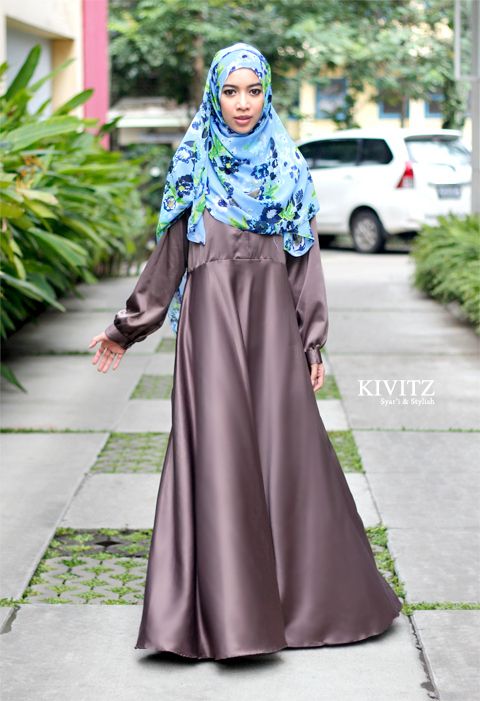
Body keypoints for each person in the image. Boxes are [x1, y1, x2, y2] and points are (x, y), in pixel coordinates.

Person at [89, 43, 402, 661]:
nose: (242, 103)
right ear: (215, 94)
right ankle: (229, 618)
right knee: (219, 453)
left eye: (252, 91)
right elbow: (168, 261)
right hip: (209, 334)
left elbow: (303, 262)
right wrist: (127, 327)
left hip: (273, 335)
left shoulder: (288, 166)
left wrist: (312, 339)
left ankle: (308, 604)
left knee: (288, 455)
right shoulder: (194, 163)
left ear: (267, 93)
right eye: (230, 91)